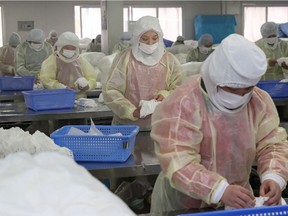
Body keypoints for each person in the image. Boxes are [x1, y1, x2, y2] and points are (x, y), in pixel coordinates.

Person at [150, 34, 288, 213]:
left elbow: (272, 144)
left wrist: (273, 176)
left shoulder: (258, 101)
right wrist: (218, 190)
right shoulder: (184, 101)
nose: (240, 96)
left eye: (247, 89)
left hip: (238, 203)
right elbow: (177, 159)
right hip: (184, 204)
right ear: (213, 78)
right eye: (232, 89)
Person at [102, 15, 183, 132]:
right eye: (145, 38)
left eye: (155, 38)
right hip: (127, 127)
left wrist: (166, 95)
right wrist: (130, 111)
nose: (150, 43)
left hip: (161, 127)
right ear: (136, 38)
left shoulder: (169, 60)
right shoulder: (125, 58)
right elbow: (111, 90)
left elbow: (181, 89)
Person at [40, 31, 97, 98]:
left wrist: (88, 86)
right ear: (60, 47)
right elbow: (46, 80)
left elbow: (92, 77)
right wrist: (63, 88)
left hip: (80, 99)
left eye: (73, 48)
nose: (70, 50)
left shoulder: (80, 60)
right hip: (58, 98)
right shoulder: (52, 60)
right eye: (67, 48)